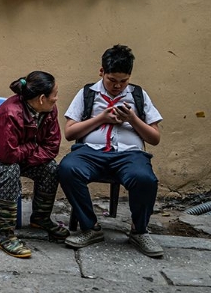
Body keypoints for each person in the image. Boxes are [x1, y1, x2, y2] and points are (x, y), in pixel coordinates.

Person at [58, 44, 163, 258]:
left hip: (129, 156)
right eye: (112, 80)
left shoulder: (139, 95)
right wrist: (102, 118)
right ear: (101, 72)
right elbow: (69, 133)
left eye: (123, 81)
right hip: (90, 153)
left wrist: (133, 119)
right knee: (67, 168)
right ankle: (90, 228)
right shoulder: (87, 93)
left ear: (130, 76)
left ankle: (139, 231)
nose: (117, 86)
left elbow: (154, 138)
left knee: (145, 179)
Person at [0, 71, 68, 259]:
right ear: (42, 98)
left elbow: (51, 147)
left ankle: (40, 219)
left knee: (51, 168)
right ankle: (6, 236)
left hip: (16, 157)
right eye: (55, 95)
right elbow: (7, 156)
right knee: (9, 171)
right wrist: (31, 146)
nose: (57, 98)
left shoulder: (50, 111)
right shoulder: (11, 112)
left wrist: (24, 150)